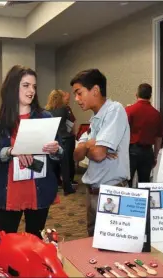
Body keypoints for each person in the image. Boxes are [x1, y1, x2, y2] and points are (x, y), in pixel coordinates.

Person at [0, 65, 63, 246]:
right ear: (12, 87)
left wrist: (56, 150)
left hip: (39, 192)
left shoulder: (44, 116)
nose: (31, 91)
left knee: (35, 246)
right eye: (26, 85)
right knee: (5, 247)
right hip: (9, 194)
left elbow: (60, 153)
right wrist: (10, 152)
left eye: (34, 86)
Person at [71, 68, 130, 237]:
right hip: (92, 193)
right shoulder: (94, 120)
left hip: (111, 193)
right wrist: (92, 144)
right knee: (93, 243)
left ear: (95, 90)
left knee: (111, 248)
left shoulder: (114, 110)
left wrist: (89, 147)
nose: (76, 99)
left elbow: (97, 155)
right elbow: (76, 155)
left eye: (79, 93)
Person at [125, 83, 163, 187]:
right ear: (150, 96)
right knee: (145, 184)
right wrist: (155, 156)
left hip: (131, 151)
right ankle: (144, 202)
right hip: (147, 152)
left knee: (126, 181)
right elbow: (158, 138)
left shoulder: (129, 110)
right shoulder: (156, 114)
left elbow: (122, 133)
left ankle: (127, 202)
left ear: (136, 94)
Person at [45, 90, 76, 196]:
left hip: (52, 140)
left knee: (53, 164)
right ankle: (67, 187)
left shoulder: (46, 111)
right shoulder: (65, 109)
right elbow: (71, 124)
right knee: (65, 164)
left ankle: (54, 185)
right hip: (65, 139)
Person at [61, 90, 78, 187]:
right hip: (67, 138)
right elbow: (72, 122)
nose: (68, 101)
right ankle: (69, 180)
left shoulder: (51, 109)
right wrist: (73, 133)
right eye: (66, 99)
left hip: (59, 138)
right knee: (68, 160)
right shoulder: (66, 109)